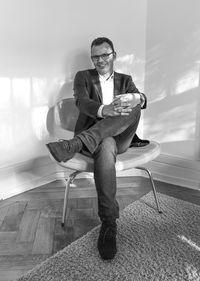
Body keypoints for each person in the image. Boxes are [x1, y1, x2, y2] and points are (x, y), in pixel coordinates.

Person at [46, 37, 148, 260]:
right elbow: (82, 102)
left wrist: (136, 97)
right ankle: (109, 224)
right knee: (106, 143)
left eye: (105, 55)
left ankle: (75, 144)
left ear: (114, 55)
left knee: (135, 105)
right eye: (96, 56)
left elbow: (141, 100)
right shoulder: (84, 77)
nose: (100, 60)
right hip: (101, 140)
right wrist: (104, 110)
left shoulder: (125, 79)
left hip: (121, 137)